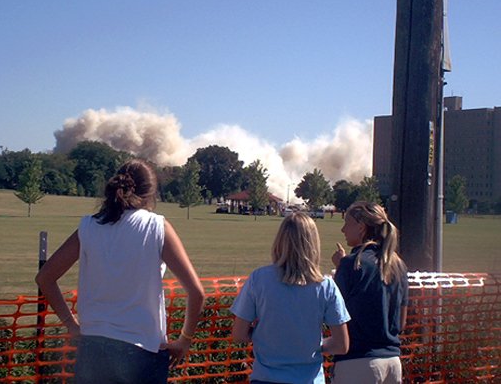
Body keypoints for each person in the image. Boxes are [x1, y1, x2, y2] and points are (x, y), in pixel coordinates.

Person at [35, 159, 205, 383]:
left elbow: (45, 277)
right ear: (151, 193)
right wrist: (185, 339)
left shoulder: (88, 226)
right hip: (142, 352)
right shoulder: (156, 227)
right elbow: (197, 292)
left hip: (92, 350)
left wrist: (71, 325)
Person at [230, 212, 351, 384]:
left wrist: (264, 337)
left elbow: (238, 334)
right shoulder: (326, 286)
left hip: (266, 378)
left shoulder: (259, 279)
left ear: (280, 241)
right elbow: (341, 345)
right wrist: (311, 345)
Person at [330, 201, 409, 384]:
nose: (343, 230)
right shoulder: (398, 265)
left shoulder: (351, 264)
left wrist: (341, 268)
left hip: (357, 362)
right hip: (392, 362)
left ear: (361, 227)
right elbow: (401, 322)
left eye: (347, 223)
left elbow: (334, 314)